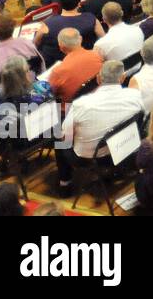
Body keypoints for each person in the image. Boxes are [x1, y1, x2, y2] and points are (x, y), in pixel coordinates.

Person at [56, 61, 144, 197]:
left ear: (98, 78)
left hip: (88, 157)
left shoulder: (81, 104)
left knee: (59, 141)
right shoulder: (135, 96)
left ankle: (65, 184)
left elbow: (65, 136)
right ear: (122, 77)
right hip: (124, 149)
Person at [48, 28, 104, 103]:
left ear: (60, 46)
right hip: (100, 99)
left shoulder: (57, 72)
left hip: (72, 110)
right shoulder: (97, 56)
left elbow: (50, 94)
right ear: (80, 39)